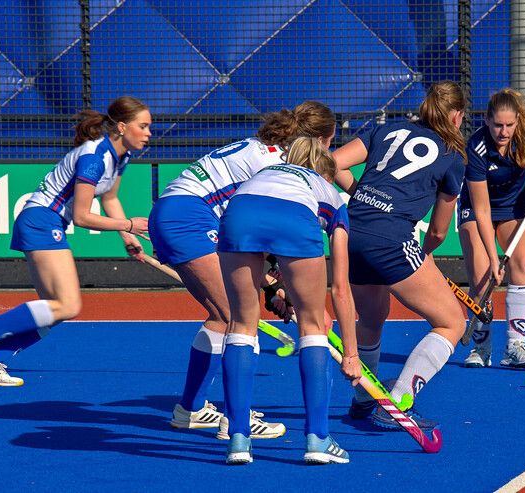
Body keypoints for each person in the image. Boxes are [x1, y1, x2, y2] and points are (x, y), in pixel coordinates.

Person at [148, 101, 337, 440]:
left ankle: (189, 410)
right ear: (322, 140)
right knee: (237, 319)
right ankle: (237, 420)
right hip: (192, 216)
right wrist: (285, 288)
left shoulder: (264, 148)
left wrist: (273, 287)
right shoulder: (280, 165)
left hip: (175, 212)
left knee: (222, 317)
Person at [0, 96, 152, 386]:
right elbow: (82, 216)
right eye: (144, 126)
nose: (150, 133)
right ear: (123, 127)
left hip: (46, 222)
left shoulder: (121, 156)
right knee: (68, 304)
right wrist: (129, 224)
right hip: (42, 220)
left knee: (55, 311)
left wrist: (127, 238)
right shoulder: (94, 158)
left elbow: (109, 197)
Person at [332, 80, 467, 428]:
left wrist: (362, 194)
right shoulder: (453, 154)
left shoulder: (385, 129)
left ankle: (364, 401)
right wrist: (424, 254)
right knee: (452, 322)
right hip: (392, 239)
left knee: (373, 319)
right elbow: (438, 230)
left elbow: (332, 162)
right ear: (457, 117)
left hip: (352, 233)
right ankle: (401, 396)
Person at [218, 136, 360, 465]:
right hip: (293, 221)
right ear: (324, 172)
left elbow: (266, 254)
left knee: (241, 324)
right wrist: (351, 354)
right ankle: (318, 440)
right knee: (312, 327)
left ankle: (238, 439)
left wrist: (279, 289)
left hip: (239, 213)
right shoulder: (331, 194)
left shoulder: (262, 175)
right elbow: (340, 287)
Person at [459, 88, 525, 370]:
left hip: (515, 205)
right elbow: (482, 210)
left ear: (518, 121)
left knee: (522, 264)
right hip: (479, 208)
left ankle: (515, 345)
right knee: (481, 277)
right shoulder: (476, 148)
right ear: (487, 120)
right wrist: (493, 259)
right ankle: (481, 346)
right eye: (497, 125)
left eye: (509, 125)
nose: (503, 131)